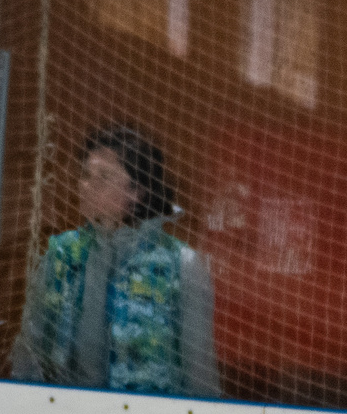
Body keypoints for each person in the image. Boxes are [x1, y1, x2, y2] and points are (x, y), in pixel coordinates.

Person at [11, 126, 218, 396]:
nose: (87, 186)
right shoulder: (62, 254)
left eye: (104, 177)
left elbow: (198, 367)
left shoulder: (180, 264)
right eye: (85, 175)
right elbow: (31, 346)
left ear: (137, 191)